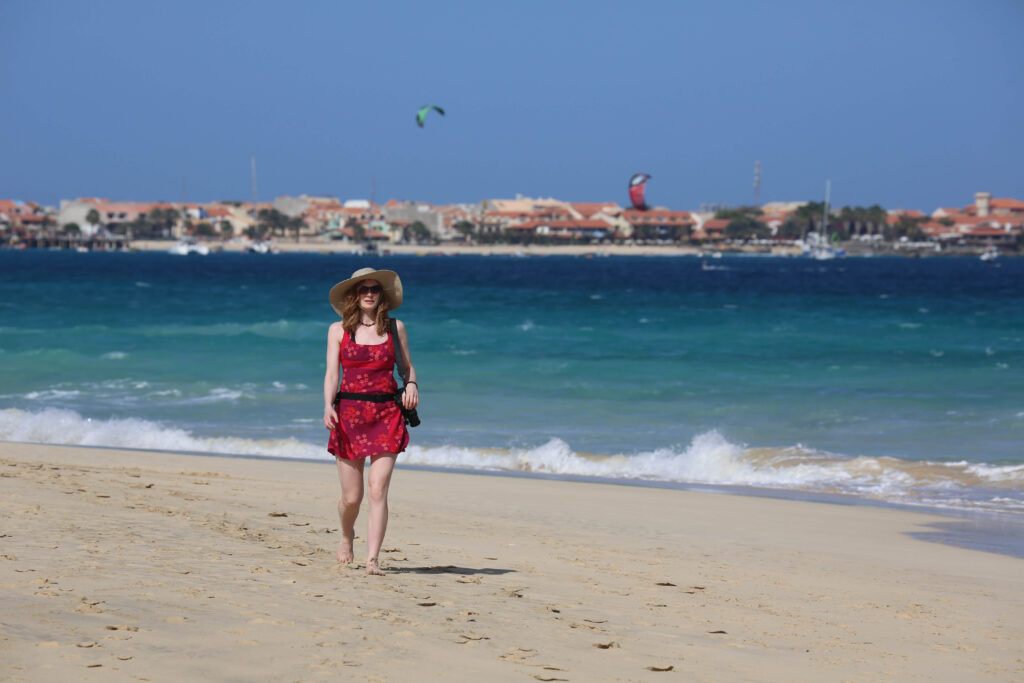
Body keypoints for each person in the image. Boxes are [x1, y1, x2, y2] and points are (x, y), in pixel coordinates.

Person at [323, 267, 418, 575]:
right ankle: (346, 536)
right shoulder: (337, 330)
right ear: (354, 295)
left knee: (378, 489)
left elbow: (407, 368)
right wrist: (327, 405)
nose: (368, 294)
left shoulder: (395, 328)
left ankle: (373, 559)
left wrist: (412, 385)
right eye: (363, 289)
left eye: (374, 289)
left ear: (381, 295)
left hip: (386, 415)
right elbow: (331, 373)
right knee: (352, 497)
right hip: (349, 416)